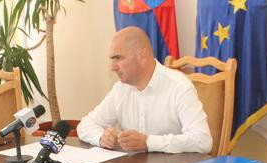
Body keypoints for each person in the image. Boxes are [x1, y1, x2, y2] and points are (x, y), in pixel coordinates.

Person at [77, 27, 212, 154]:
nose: (113, 67)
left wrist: (149, 142)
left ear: (142, 55)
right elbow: (85, 125)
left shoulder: (179, 86)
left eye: (118, 58)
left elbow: (203, 141)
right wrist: (101, 137)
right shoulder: (120, 90)